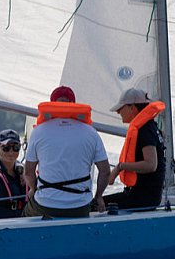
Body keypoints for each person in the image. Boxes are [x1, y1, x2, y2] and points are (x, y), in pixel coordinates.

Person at [22, 86, 111, 218]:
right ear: (73, 104)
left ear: (52, 103)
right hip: (79, 206)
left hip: (45, 205)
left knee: (25, 216)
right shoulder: (91, 132)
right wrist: (98, 197)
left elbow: (29, 172)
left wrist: (34, 190)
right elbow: (105, 171)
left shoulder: (39, 131)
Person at [102, 88, 167, 210]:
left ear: (132, 108)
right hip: (142, 196)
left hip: (143, 199)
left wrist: (120, 167)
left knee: (94, 205)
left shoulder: (145, 130)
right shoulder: (148, 127)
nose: (118, 112)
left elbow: (151, 164)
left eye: (121, 109)